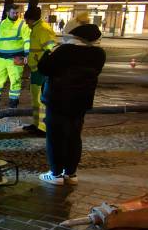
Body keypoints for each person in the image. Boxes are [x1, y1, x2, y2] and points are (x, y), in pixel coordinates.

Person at [37, 24, 106, 185]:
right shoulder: (99, 54)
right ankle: (71, 173)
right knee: (74, 136)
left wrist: (50, 50)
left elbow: (44, 68)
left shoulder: (64, 51)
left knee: (55, 136)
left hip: (57, 100)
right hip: (81, 102)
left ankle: (55, 174)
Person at [0, 4, 31, 108]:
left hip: (16, 58)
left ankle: (13, 102)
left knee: (15, 80)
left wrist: (27, 54)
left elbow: (27, 40)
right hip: (1, 59)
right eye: (13, 12)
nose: (15, 14)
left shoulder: (22, 25)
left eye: (17, 12)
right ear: (7, 13)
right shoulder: (0, 25)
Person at [22, 6, 55, 135]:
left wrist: (42, 64)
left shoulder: (43, 29)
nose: (25, 22)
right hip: (36, 70)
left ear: (31, 19)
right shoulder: (36, 29)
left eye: (26, 20)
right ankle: (37, 125)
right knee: (36, 100)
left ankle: (43, 128)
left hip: (42, 71)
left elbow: (51, 50)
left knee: (41, 100)